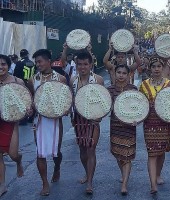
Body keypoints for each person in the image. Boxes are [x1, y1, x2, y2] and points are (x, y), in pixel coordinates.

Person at [27, 49, 66, 196]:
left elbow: (66, 100)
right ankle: (45, 183)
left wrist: (65, 110)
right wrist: (30, 109)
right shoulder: (33, 80)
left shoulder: (61, 79)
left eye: (40, 61)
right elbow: (31, 100)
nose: (38, 64)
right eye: (36, 62)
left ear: (48, 61)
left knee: (56, 153)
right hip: (40, 121)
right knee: (40, 153)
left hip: (56, 121)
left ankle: (57, 168)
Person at [69, 51, 104, 195]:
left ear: (91, 65)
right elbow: (71, 100)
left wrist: (99, 116)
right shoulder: (72, 80)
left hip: (93, 119)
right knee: (82, 150)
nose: (82, 67)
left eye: (85, 64)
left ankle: (90, 181)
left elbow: (104, 101)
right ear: (76, 65)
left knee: (91, 150)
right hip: (78, 119)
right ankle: (86, 173)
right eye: (79, 64)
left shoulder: (98, 79)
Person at [139, 56, 170, 194]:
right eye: (153, 67)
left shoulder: (169, 85)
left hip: (165, 123)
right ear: (150, 69)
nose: (156, 69)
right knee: (152, 153)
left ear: (163, 67)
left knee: (161, 152)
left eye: (159, 66)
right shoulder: (144, 85)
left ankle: (158, 174)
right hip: (149, 123)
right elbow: (140, 104)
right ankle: (153, 184)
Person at [107, 64, 137, 196]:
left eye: (124, 73)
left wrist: (137, 119)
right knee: (119, 155)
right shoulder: (110, 90)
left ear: (129, 75)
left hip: (129, 127)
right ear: (115, 73)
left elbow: (139, 106)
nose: (121, 75)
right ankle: (123, 175)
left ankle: (124, 184)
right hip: (115, 127)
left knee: (127, 156)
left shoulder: (133, 89)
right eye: (118, 72)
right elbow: (104, 107)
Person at [0, 54, 24, 197]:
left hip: (12, 122)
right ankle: (2, 185)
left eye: (3, 64)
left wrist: (27, 111)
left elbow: (27, 100)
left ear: (8, 65)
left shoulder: (17, 81)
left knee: (13, 153)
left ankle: (18, 161)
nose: (0, 67)